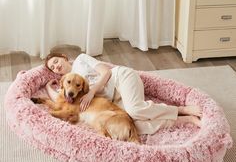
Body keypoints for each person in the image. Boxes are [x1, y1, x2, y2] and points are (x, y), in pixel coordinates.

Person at [44, 52, 201, 135]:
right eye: (52, 67)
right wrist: (48, 87)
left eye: (56, 61)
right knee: (134, 126)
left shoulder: (80, 59)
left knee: (135, 110)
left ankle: (180, 110)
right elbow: (59, 101)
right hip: (113, 101)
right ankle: (185, 120)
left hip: (120, 79)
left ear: (64, 57)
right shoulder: (67, 84)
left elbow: (106, 71)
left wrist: (91, 92)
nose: (56, 67)